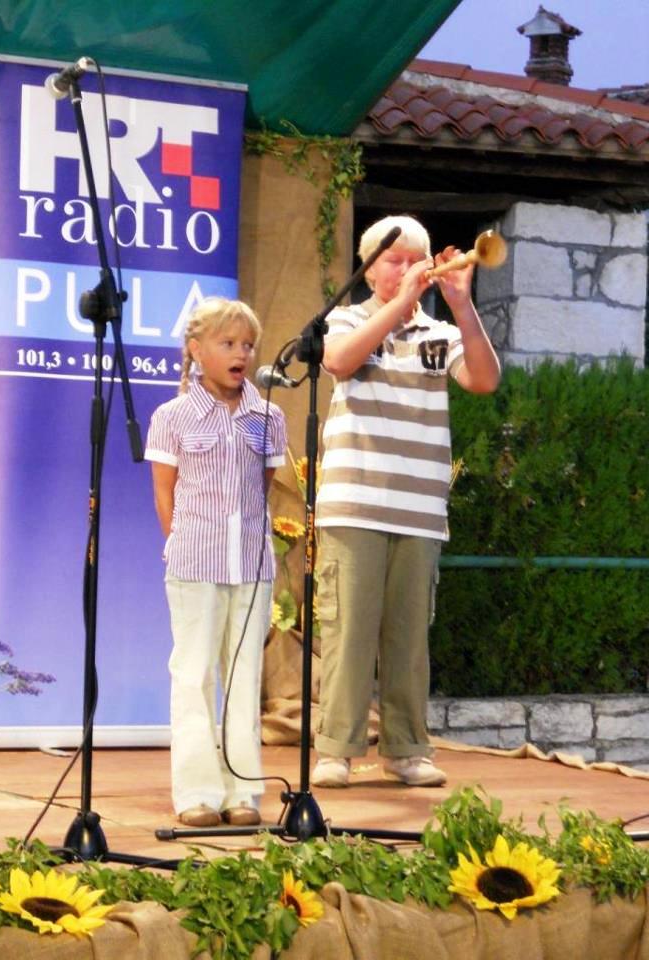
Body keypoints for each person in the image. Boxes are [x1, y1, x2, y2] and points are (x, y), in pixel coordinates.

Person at [311, 215, 501, 789]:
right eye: (397, 258)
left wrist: (461, 307)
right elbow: (340, 361)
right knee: (347, 630)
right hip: (354, 503)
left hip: (418, 509)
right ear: (371, 269)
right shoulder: (346, 317)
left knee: (408, 634)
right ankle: (336, 748)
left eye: (418, 257)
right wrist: (400, 304)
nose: (412, 266)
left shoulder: (438, 334)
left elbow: (485, 380)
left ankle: (406, 747)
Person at [145, 297, 287, 827]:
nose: (241, 354)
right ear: (196, 350)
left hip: (250, 566)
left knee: (245, 677)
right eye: (228, 344)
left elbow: (263, 491)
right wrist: (185, 545)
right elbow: (167, 495)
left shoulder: (267, 415)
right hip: (194, 564)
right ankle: (196, 792)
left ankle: (241, 792)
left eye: (247, 345)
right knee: (194, 674)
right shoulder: (172, 416)